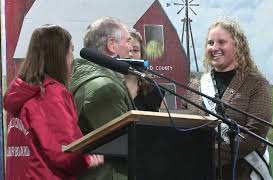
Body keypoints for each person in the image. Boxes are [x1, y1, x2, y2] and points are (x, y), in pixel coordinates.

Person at [4, 24, 103, 180]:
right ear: (58, 55)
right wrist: (88, 159)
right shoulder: (51, 93)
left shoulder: (19, 95)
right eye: (71, 51)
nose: (73, 59)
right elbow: (64, 152)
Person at [184, 18, 273, 180]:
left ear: (237, 46)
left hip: (243, 173)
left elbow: (255, 133)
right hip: (201, 173)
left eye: (222, 42)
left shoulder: (256, 84)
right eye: (210, 43)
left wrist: (210, 156)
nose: (214, 48)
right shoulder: (195, 85)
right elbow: (185, 124)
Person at [69, 17, 134, 180]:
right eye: (128, 41)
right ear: (112, 45)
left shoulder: (86, 80)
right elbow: (128, 145)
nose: (131, 49)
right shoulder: (104, 88)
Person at [125, 28, 165, 111]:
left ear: (141, 54)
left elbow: (164, 121)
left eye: (135, 50)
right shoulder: (108, 84)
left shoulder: (153, 89)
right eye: (127, 50)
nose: (131, 54)